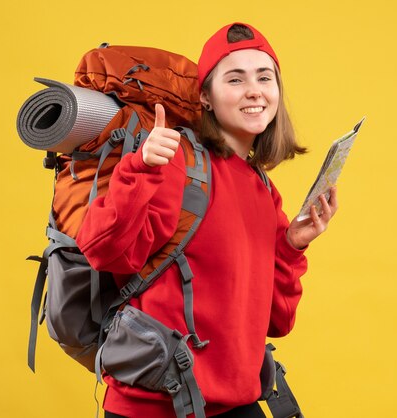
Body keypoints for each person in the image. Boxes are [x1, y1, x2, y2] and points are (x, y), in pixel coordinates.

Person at [76, 22, 338, 418]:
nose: (254, 90)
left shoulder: (263, 189)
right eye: (235, 79)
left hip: (236, 403)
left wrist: (291, 246)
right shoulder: (177, 160)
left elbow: (277, 321)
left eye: (265, 77)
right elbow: (104, 252)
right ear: (207, 98)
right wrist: (141, 169)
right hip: (155, 408)